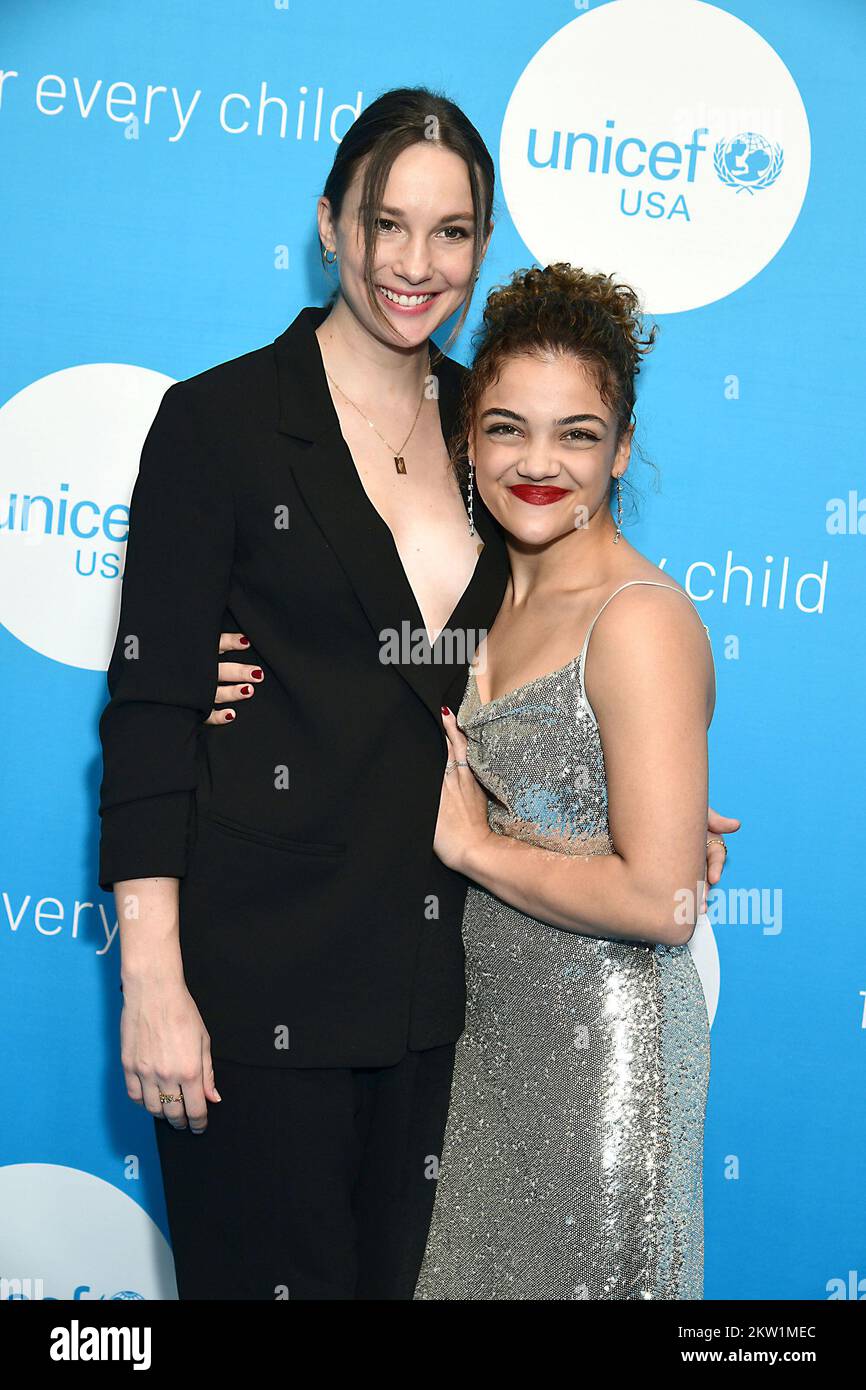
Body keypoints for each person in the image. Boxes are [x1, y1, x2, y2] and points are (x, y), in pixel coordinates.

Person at [98, 86, 736, 1300]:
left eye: (450, 232)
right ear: (330, 220)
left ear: (481, 245)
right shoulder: (218, 425)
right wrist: (153, 983)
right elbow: (146, 720)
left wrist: (631, 808)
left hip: (450, 1006)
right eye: (387, 222)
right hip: (259, 989)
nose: (413, 262)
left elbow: (550, 658)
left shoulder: (488, 431)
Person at [414, 263, 721, 1300]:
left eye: (576, 434)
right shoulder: (478, 598)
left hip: (602, 1072)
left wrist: (477, 848)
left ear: (621, 447)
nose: (537, 462)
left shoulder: (635, 618)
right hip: (482, 1050)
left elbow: (659, 902)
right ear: (467, 436)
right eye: (505, 427)